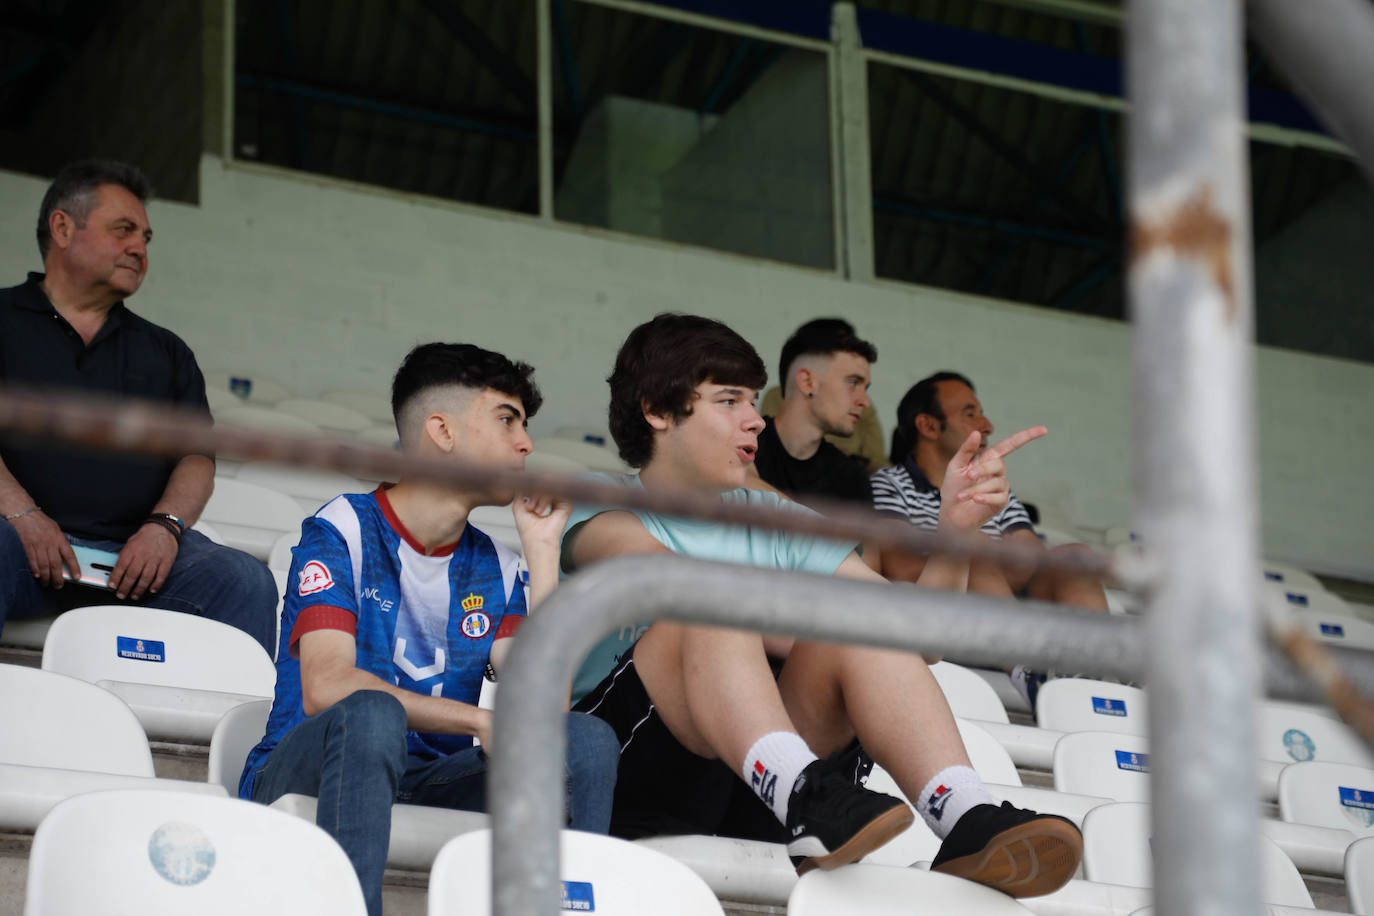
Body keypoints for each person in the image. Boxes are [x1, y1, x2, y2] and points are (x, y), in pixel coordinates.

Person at [562, 314, 1082, 898]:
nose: (755, 418)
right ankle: (804, 794)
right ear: (657, 410)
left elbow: (918, 642)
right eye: (729, 400)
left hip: (766, 790)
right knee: (707, 597)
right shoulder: (601, 506)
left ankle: (963, 816)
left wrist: (954, 531)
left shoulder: (780, 521)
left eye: (754, 401)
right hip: (639, 780)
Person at [239, 343, 618, 916]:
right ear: (441, 431)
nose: (526, 444)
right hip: (307, 771)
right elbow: (327, 687)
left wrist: (542, 552)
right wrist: (476, 720)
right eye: (507, 419)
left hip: (431, 781)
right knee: (370, 713)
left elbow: (547, 707)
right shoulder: (342, 529)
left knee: (584, 740)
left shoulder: (497, 564)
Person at [0, 160, 276, 651]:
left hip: (133, 558)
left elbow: (196, 458)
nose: (139, 249)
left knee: (244, 581)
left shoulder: (166, 351)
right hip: (14, 545)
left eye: (146, 238)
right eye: (124, 230)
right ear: (63, 228)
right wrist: (22, 516)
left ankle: (240, 730)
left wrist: (163, 529)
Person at [874, 372, 1108, 707]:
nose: (986, 426)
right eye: (970, 413)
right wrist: (971, 554)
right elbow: (899, 565)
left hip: (1009, 611)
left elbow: (1031, 559)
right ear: (927, 426)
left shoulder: (990, 487)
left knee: (1075, 555)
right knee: (972, 548)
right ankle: (1029, 668)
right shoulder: (890, 483)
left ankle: (1099, 680)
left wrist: (983, 568)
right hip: (943, 627)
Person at [749, 319, 878, 507]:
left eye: (865, 388)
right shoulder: (743, 445)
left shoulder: (852, 481)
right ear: (807, 382)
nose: (865, 402)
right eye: (852, 382)